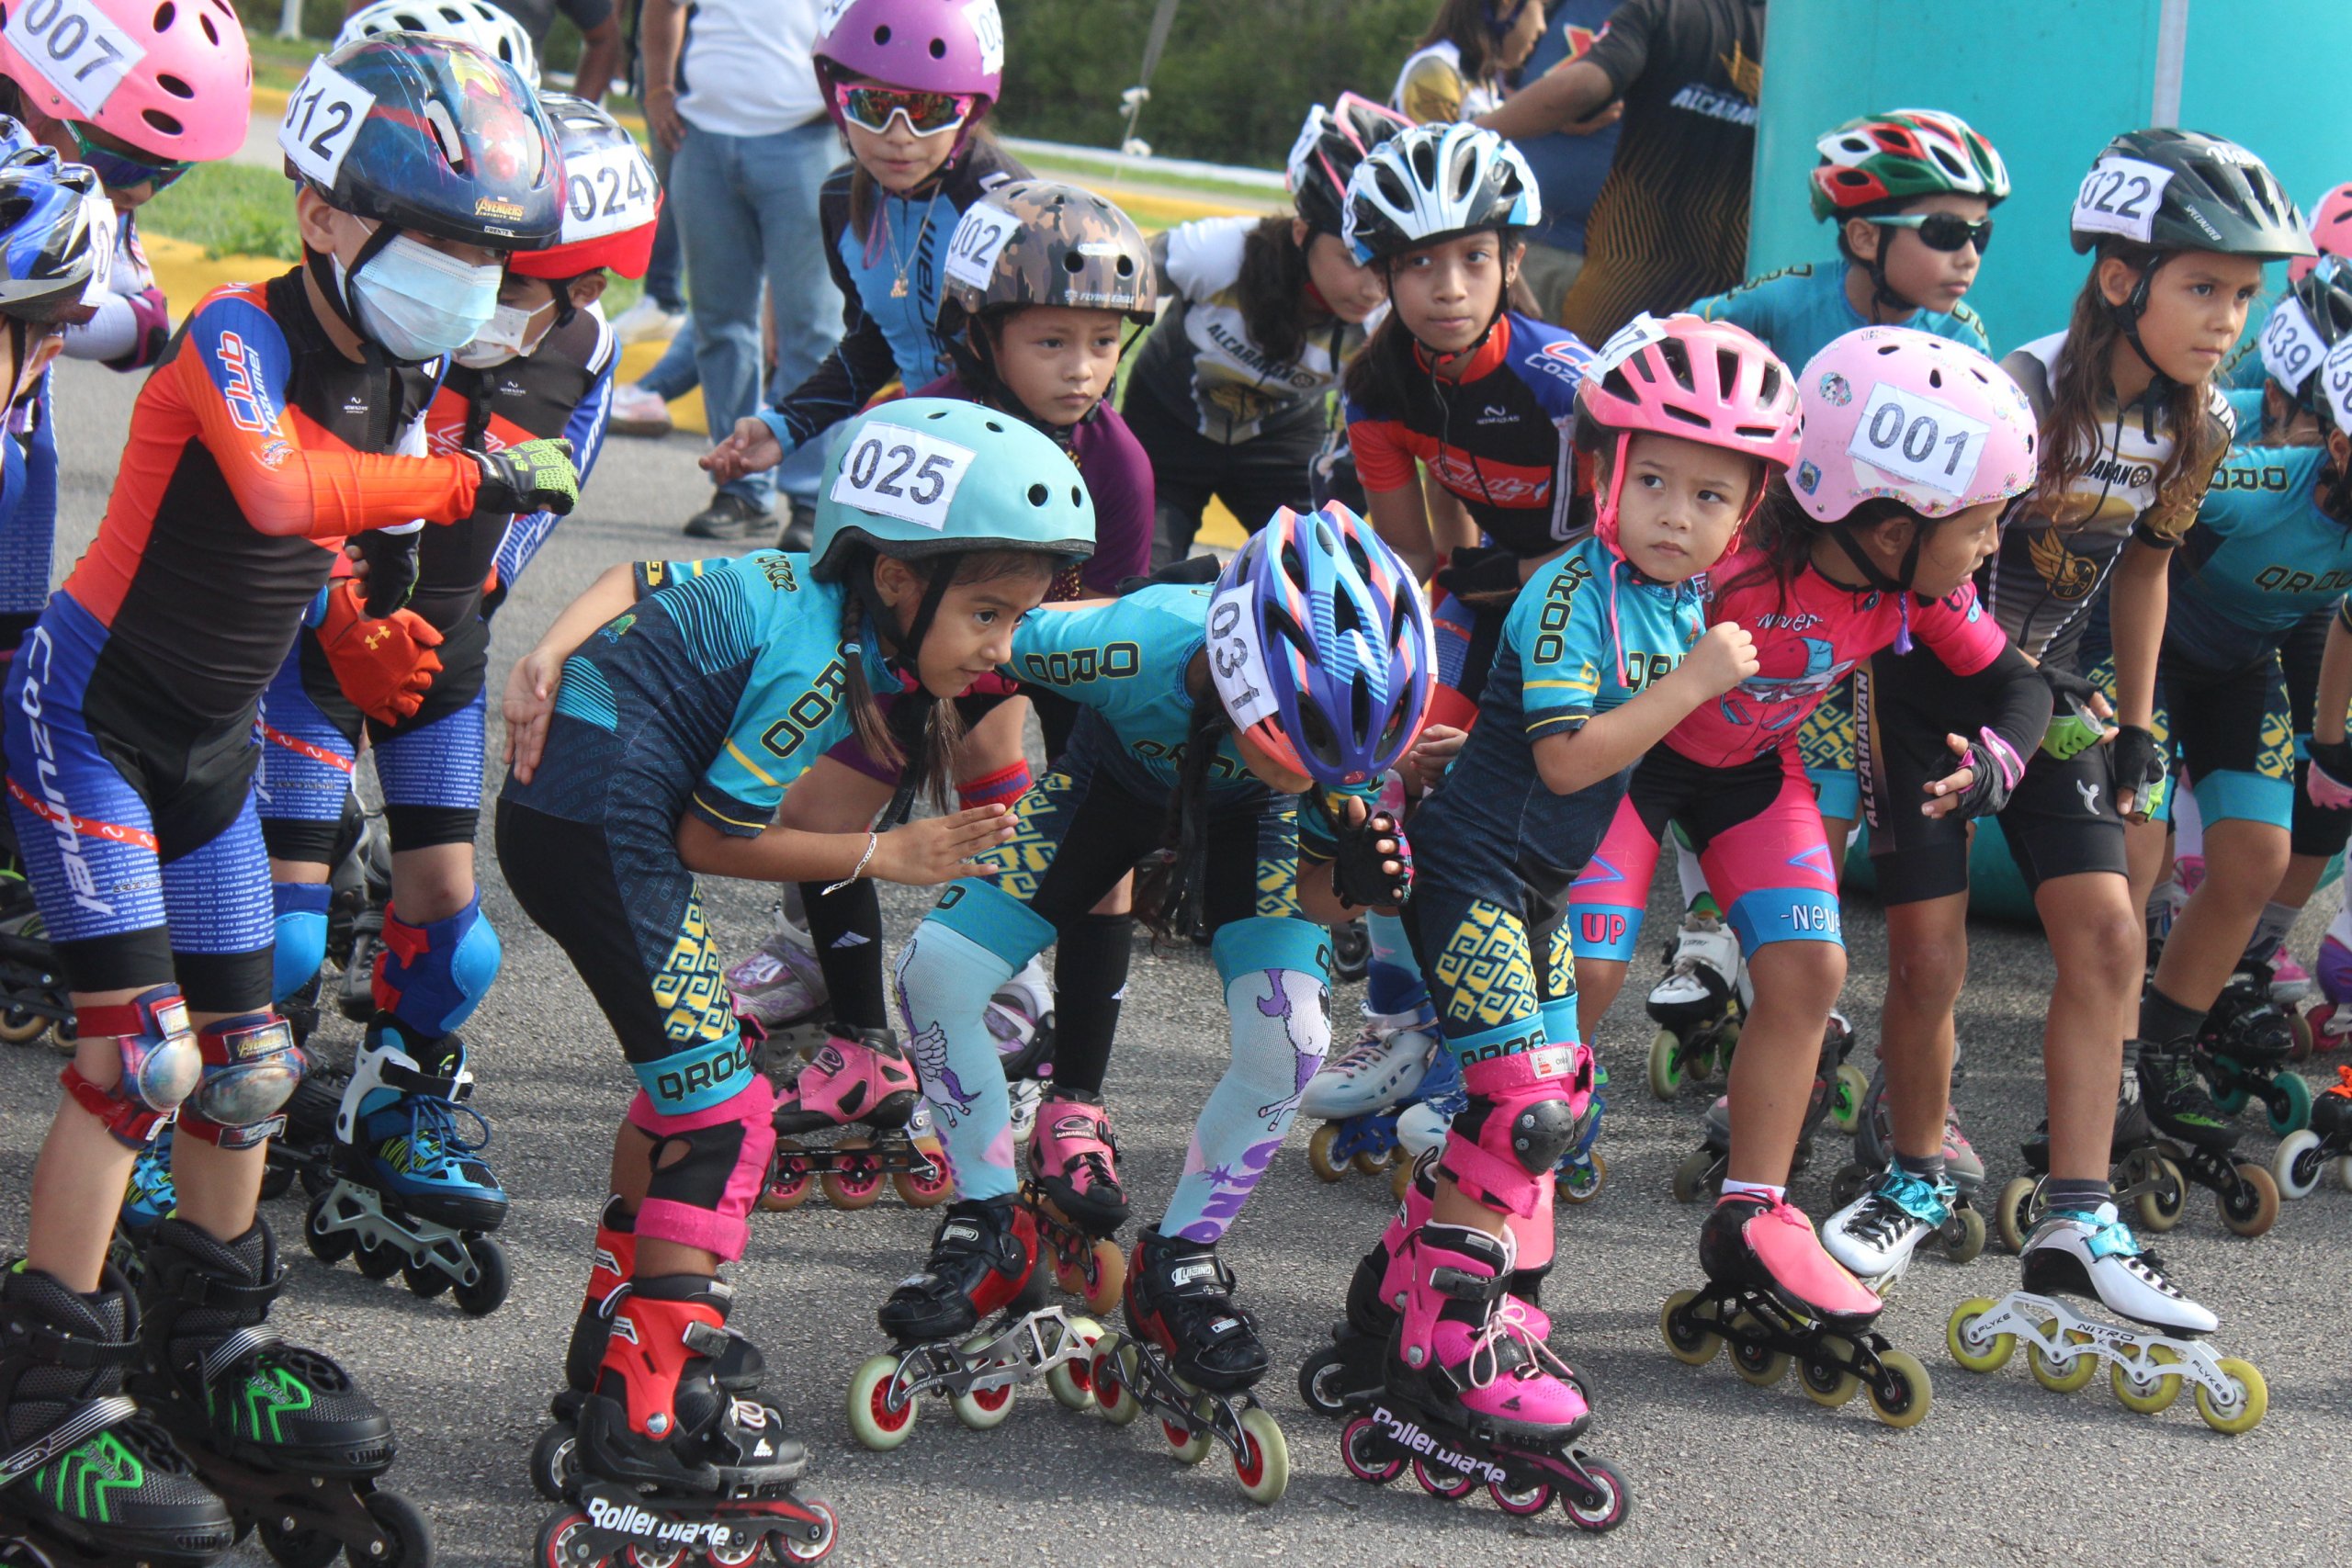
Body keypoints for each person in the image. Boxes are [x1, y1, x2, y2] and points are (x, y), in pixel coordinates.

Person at [0, 36, 576, 1563]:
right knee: (139, 1057)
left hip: (210, 751)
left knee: (254, 1055)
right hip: (96, 724)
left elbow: (315, 546)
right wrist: (465, 485)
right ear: (324, 214)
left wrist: (356, 631)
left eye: (485, 251)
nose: (466, 278)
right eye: (438, 240)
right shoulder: (236, 333)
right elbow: (271, 486)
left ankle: (212, 1330)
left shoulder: (402, 379)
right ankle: (40, 1395)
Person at [494, 398, 1084, 1529]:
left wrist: (548, 653)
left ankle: (622, 1333)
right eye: (989, 613)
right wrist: (887, 855)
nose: (1003, 648)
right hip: (605, 827)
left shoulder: (795, 587)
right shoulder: (816, 668)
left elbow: (636, 580)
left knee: (685, 1088)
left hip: (570, 812)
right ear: (902, 579)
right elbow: (708, 839)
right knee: (725, 1118)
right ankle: (651, 1402)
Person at [1844, 130, 2308, 1342]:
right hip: (1926, 688)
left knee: (2107, 931)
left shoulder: (2199, 430)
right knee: (1929, 961)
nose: (2230, 318)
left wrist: (2142, 724)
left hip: (2045, 695)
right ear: (2119, 279)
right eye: (2204, 285)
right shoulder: (2020, 394)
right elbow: (1935, 574)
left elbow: (2144, 572)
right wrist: (2006, 703)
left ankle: (2078, 1221)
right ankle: (1907, 1166)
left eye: (2248, 294)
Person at [1346, 311, 1782, 1471]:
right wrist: (1694, 685)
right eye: (1654, 482)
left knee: (1558, 1102)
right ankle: (1442, 1353)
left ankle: (1405, 1295)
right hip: (1476, 870)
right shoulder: (1566, 596)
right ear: (1603, 473)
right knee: (1517, 1111)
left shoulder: (1677, 599)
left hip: (1532, 886)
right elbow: (1568, 759)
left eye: (1709, 496)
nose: (1676, 515)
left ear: (1746, 515)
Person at [241, 91, 653, 1291]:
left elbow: (524, 521)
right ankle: (226, 1087)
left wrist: (442, 621)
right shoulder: (374, 318)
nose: (485, 297)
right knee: (283, 930)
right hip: (311, 650)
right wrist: (346, 616)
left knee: (457, 943)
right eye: (469, 261)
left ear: (584, 287)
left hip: (441, 654)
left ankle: (397, 1092)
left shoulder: (586, 347)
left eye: (518, 283)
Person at [881, 499, 1424, 1400]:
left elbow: (1314, 901)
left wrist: (1357, 886)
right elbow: (964, 634)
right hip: (1109, 789)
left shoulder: (1336, 736)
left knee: (1289, 1038)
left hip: (1259, 832)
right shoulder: (1130, 641)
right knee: (936, 970)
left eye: (1333, 759)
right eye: (1293, 743)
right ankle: (985, 1221)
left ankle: (1181, 1261)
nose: (1312, 773)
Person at [1570, 326, 2045, 1304]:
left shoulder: (1916, 590)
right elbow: (1571, 624)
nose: (1993, 545)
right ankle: (1502, 1133)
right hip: (1639, 761)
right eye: (1981, 522)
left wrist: (2001, 759)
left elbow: (2015, 689)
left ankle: (1752, 1212)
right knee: (1587, 967)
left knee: (1809, 968)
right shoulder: (1727, 562)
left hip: (1749, 768)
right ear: (1889, 528)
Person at [723, 181, 1159, 1178]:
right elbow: (852, 590)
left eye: (1102, 341)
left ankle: (1074, 1090)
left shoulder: (1119, 466)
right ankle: (865, 1041)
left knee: (1109, 842)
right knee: (820, 807)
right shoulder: (922, 421)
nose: (1083, 369)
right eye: (1052, 341)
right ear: (980, 330)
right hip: (912, 636)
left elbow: (1096, 649)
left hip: (1045, 638)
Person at [2136, 267, 2352, 1100]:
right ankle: (2110, 1053)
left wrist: (2330, 742)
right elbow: (2129, 539)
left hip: (2239, 669)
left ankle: (2164, 1051)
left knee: (2256, 859)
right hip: (2147, 656)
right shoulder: (2252, 489)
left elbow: (2348, 625)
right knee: (2132, 853)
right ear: (2336, 447)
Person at [698, 0, 1024, 542]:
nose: (900, 135)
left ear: (971, 110)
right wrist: (784, 425)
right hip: (930, 447)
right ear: (836, 100)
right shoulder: (837, 201)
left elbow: (1050, 361)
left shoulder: (1005, 207)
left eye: (928, 111)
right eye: (873, 106)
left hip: (1012, 454)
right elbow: (876, 342)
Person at [0, 0, 249, 667]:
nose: (140, 194)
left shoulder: (80, 179)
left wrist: (48, 309)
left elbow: (146, 323)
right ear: (39, 99)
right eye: (130, 167)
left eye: (169, 170)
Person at [1130, 95, 1405, 570]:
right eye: (1353, 258)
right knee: (1141, 578)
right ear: (1302, 232)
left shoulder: (1387, 317)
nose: (1372, 287)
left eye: (1389, 264)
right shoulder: (1220, 252)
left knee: (1318, 578)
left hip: (1280, 440)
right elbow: (1106, 286)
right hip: (1166, 424)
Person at [642, 0, 847, 540]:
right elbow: (663, 7)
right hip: (702, 136)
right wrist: (658, 90)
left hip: (805, 136)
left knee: (813, 325)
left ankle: (811, 500)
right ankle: (740, 489)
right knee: (721, 324)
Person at [1477, 0, 1764, 344]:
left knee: (1583, 393)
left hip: (1622, 302)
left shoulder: (1665, 10)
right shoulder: (1801, 36)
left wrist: (1470, 132)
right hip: (1723, 317)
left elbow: (1583, 87)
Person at [1509, 0, 1623, 322]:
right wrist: (1549, 108)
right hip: (1525, 241)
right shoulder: (1549, 7)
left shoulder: (1679, 12)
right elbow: (1481, 75)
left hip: (1619, 263)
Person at [342, 0, 620, 105]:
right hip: (406, 94)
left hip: (506, 108)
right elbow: (363, 20)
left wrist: (575, 111)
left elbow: (605, 37)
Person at [1391, 0, 1548, 125]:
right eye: (1542, 4)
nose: (1543, 27)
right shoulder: (1436, 70)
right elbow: (1440, 160)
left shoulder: (1485, 81)